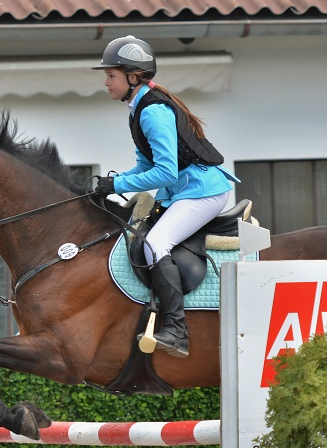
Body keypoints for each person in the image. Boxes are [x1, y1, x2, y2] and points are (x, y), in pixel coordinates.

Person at [91, 35, 239, 358]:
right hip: (184, 190)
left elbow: (166, 173)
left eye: (111, 76)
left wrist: (117, 187)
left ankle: (177, 330)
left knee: (155, 243)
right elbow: (146, 166)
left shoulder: (152, 111)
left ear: (133, 77)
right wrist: (112, 182)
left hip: (203, 192)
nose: (105, 82)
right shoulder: (137, 108)